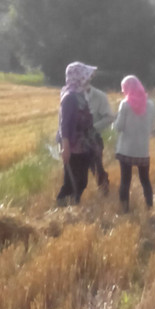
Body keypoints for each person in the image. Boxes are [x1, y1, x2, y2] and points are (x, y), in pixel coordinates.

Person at [56, 62, 99, 206]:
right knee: (70, 183)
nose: (87, 80)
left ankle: (73, 207)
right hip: (73, 147)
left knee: (82, 182)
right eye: (85, 77)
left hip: (84, 145)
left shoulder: (80, 95)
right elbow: (64, 124)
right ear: (78, 78)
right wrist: (66, 147)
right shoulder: (69, 97)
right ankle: (61, 209)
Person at [114, 75, 155, 212]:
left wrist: (113, 123)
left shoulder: (125, 104)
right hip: (142, 149)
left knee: (125, 181)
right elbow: (153, 128)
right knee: (145, 180)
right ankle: (149, 207)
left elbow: (119, 126)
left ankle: (124, 209)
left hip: (126, 149)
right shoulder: (150, 105)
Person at [84, 80, 115, 194]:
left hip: (94, 139)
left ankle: (104, 191)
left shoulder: (100, 96)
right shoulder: (70, 95)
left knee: (96, 168)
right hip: (75, 140)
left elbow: (109, 117)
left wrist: (92, 128)